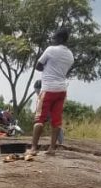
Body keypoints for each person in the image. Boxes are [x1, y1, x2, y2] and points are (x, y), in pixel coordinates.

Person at [28, 28, 74, 156]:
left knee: (39, 119)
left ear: (59, 39)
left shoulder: (51, 50)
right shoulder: (70, 55)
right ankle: (52, 148)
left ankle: (33, 148)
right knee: (56, 120)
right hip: (62, 90)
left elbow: (38, 66)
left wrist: (46, 67)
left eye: (54, 38)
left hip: (48, 89)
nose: (53, 41)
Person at [33, 79, 64, 145]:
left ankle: (61, 143)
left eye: (38, 90)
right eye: (36, 90)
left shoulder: (47, 92)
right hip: (46, 112)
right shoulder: (41, 95)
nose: (37, 92)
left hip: (51, 112)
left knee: (56, 126)